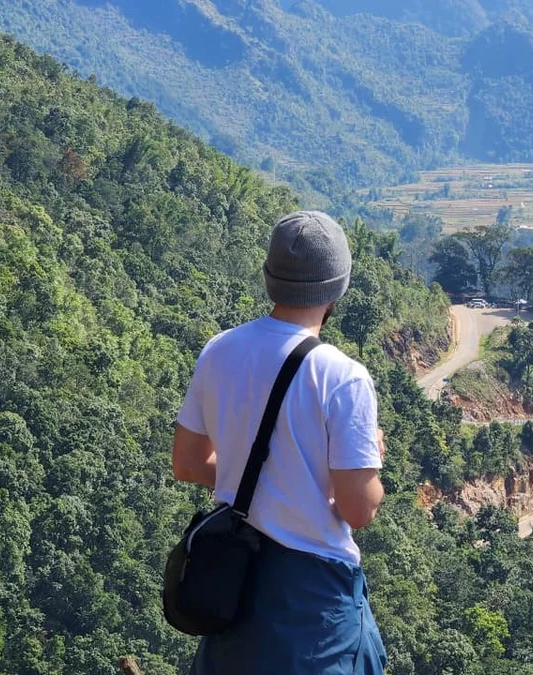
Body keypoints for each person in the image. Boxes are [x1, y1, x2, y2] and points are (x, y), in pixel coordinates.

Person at [172, 211, 388, 674]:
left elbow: (188, 462)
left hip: (235, 579)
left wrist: (261, 478)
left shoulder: (220, 349)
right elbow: (359, 509)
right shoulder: (342, 376)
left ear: (270, 278)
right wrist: (372, 464)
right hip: (312, 603)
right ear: (337, 287)